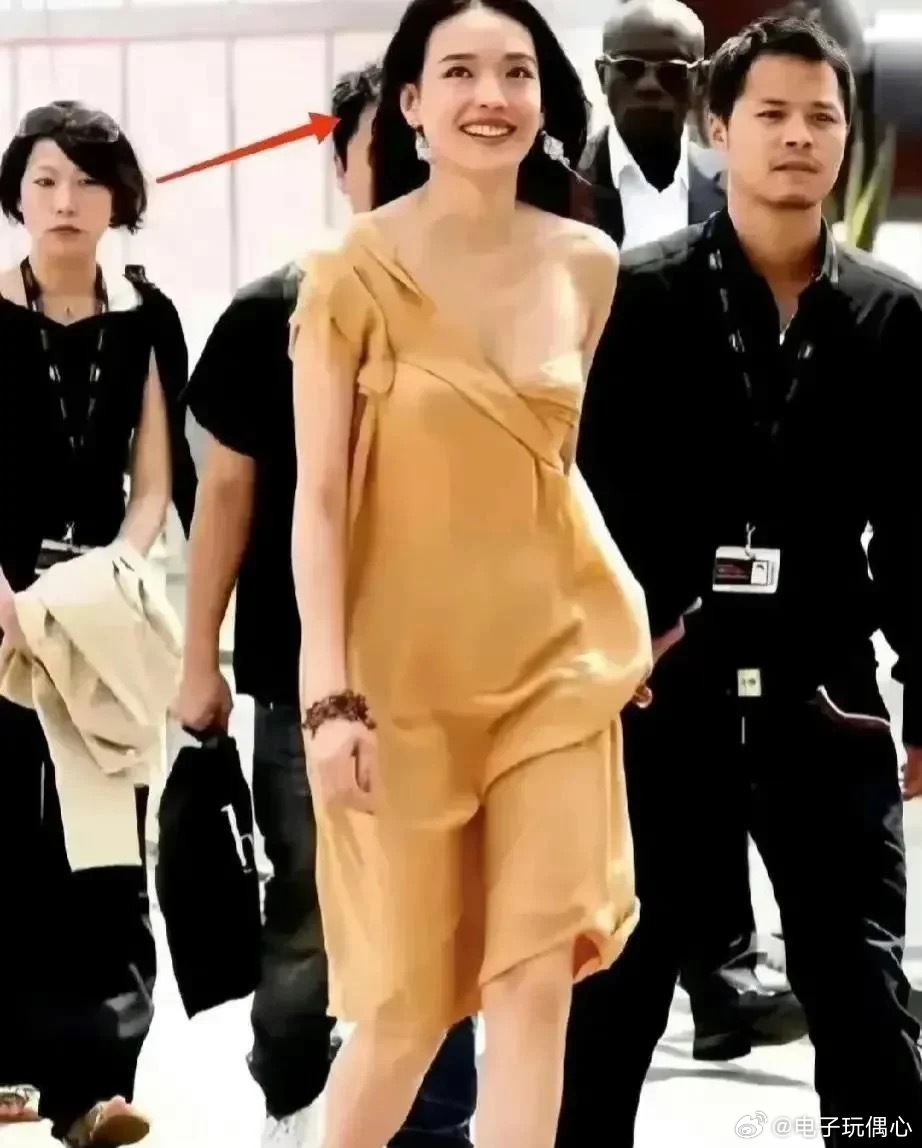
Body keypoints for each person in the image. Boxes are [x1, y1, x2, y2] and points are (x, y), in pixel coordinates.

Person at [288, 0, 652, 1145]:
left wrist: (620, 601)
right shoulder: (349, 268)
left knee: (534, 981)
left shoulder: (586, 261)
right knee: (405, 1006)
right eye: (459, 72)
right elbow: (318, 497)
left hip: (554, 663)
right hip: (399, 678)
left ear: (543, 99)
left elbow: (551, 464)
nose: (490, 96)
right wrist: (328, 697)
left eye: (515, 72)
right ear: (411, 102)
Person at [561, 15, 922, 1147]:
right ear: (718, 130)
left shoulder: (888, 310)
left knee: (863, 993)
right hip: (661, 691)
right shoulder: (636, 294)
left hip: (826, 690)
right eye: (771, 113)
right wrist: (625, 642)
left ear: (847, 138)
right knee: (611, 993)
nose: (798, 136)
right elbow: (582, 497)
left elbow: (917, 524)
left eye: (821, 117)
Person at [175, 63, 477, 1148]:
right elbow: (225, 495)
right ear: (341, 161)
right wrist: (198, 660)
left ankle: (433, 1121)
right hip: (306, 668)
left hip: (457, 665)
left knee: (446, 900)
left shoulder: (485, 303)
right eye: (377, 144)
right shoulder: (273, 309)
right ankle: (296, 1101)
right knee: (308, 904)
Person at [581, 0, 806, 1062]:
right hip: (590, 489)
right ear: (600, 76)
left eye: (673, 70)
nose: (651, 86)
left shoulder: (734, 191)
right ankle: (638, 964)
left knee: (709, 729)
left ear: (701, 82)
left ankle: (722, 970)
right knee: (625, 751)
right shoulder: (555, 194)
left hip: (717, 500)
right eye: (632, 67)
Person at [0, 100, 191, 1147]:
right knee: (9, 839)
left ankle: (96, 1088)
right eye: (44, 181)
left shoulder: (148, 317)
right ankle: (10, 1070)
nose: (65, 201)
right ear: (16, 196)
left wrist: (117, 571)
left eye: (86, 181)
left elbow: (155, 480)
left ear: (119, 197)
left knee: (107, 850)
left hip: (103, 609)